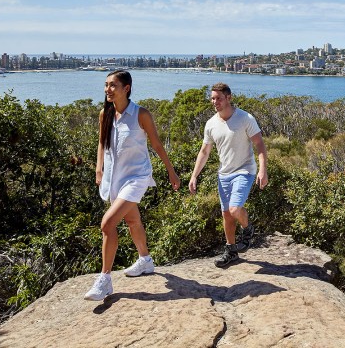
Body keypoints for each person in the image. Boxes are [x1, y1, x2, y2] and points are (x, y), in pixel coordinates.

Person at [84, 70, 180, 301]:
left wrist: (171, 171)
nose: (108, 89)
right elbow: (101, 142)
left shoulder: (141, 114)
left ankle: (105, 279)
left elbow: (156, 144)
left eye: (113, 85)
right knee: (132, 220)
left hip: (136, 177)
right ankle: (145, 260)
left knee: (107, 224)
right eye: (106, 85)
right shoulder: (104, 114)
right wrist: (99, 168)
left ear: (126, 88)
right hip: (114, 178)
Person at [189, 82, 268, 268]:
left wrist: (263, 170)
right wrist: (194, 176)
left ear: (229, 98)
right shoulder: (211, 124)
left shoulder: (245, 118)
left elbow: (260, 145)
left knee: (234, 209)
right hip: (223, 174)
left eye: (219, 98)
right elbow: (204, 152)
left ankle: (248, 229)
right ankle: (231, 251)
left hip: (244, 170)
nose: (215, 102)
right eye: (212, 98)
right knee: (226, 214)